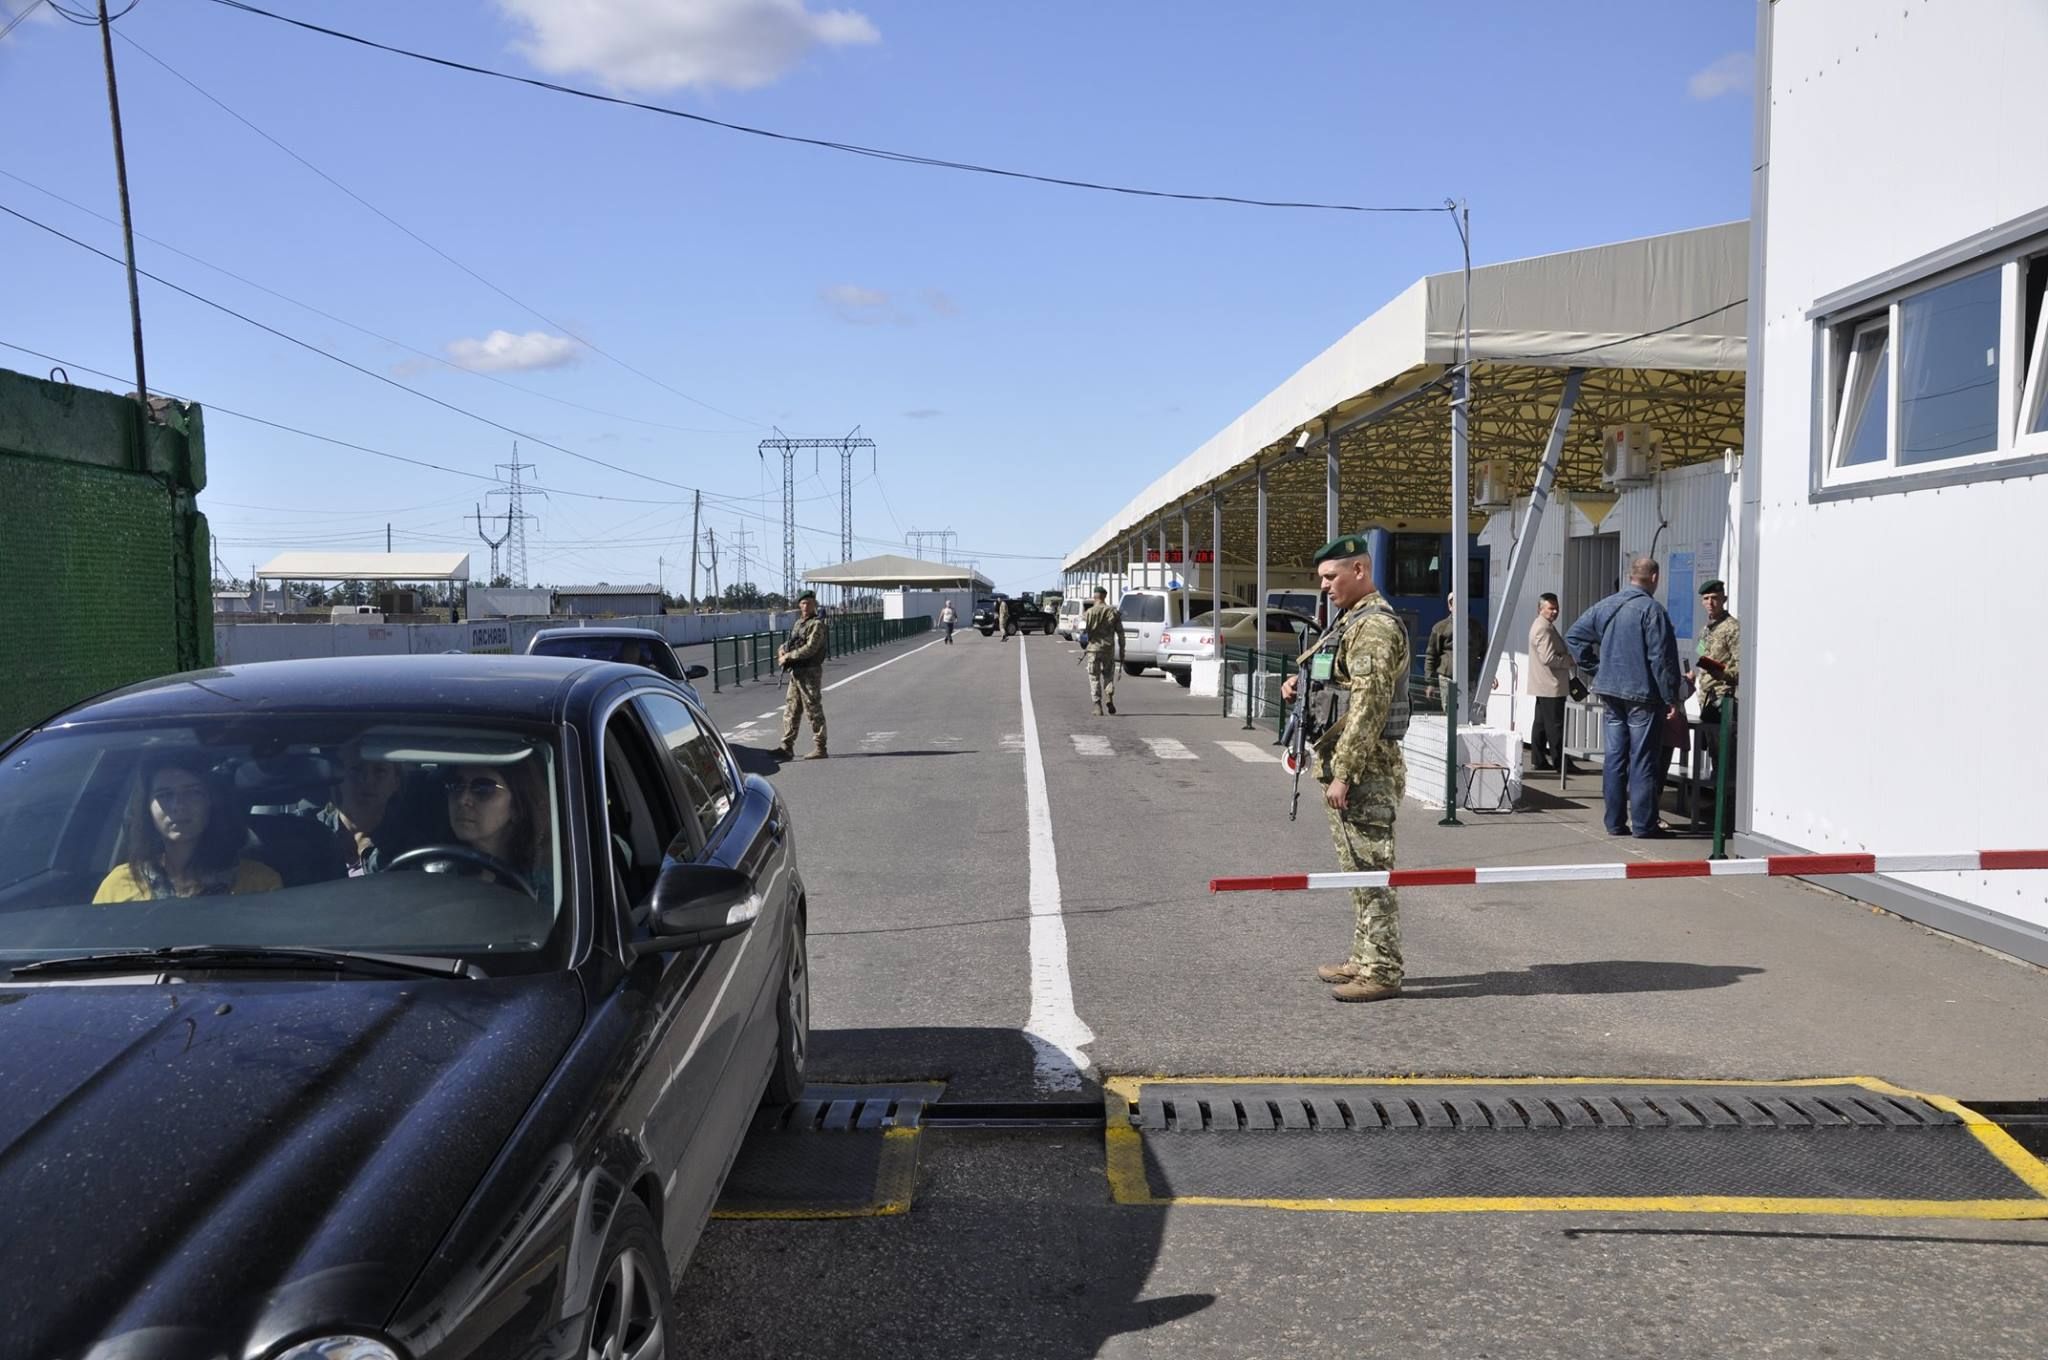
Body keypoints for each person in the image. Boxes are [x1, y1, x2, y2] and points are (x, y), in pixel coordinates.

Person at [1279, 534, 1412, 1004]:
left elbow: (1368, 706)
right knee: (1355, 868)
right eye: (1321, 579)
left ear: (1360, 570)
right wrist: (1300, 682)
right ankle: (1363, 956)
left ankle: (1382, 968)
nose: (1324, 587)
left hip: (1366, 771)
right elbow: (1338, 680)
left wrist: (1346, 772)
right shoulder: (1350, 620)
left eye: (1331, 577)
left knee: (1372, 869)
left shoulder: (1374, 626)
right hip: (1349, 765)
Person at [1565, 555, 1682, 839]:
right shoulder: (1652, 611)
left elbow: (1574, 637)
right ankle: (1644, 825)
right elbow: (1661, 659)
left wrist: (1597, 668)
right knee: (1642, 760)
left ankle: (1615, 823)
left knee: (1615, 758)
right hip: (1643, 696)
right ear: (1654, 578)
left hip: (1610, 692)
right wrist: (1671, 697)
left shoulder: (1606, 605)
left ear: (1631, 576)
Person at [94, 755, 283, 902]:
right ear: (147, 808)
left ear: (211, 802)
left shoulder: (259, 884)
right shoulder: (119, 885)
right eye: (165, 795)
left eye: (192, 793)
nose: (178, 806)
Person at [442, 755, 552, 895]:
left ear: (517, 807)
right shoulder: (440, 869)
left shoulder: (546, 881)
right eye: (456, 785)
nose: (463, 799)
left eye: (483, 789)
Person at [319, 744, 402, 876]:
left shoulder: (407, 844)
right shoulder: (306, 837)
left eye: (380, 771)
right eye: (356, 769)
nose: (368, 780)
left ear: (396, 782)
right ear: (336, 777)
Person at [1694, 578, 1741, 807]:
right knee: (1713, 751)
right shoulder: (1706, 629)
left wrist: (1721, 673)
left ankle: (1728, 806)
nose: (1710, 603)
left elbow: (1740, 666)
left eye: (1714, 598)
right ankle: (1718, 801)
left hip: (1725, 698)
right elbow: (1701, 655)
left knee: (1726, 755)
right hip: (1707, 699)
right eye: (1706, 599)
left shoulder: (1732, 628)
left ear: (1723, 599)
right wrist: (1694, 675)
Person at [1526, 592, 1582, 775]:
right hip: (1550, 684)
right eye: (1551, 608)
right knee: (1555, 725)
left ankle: (1539, 759)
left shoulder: (1542, 625)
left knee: (1541, 724)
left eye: (1556, 608)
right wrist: (1569, 660)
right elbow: (1549, 658)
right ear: (1540, 609)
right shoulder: (1543, 628)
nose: (1555, 611)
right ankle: (1561, 762)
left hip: (1543, 683)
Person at [772, 590, 829, 760]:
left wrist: (788, 656)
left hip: (810, 671)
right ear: (799, 605)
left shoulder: (816, 625)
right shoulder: (799, 623)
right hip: (797, 672)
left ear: (814, 605)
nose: (806, 606)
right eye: (803, 603)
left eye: (809, 603)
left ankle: (820, 747)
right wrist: (783, 649)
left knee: (813, 709)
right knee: (791, 709)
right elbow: (793, 641)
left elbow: (811, 648)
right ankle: (787, 747)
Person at [1424, 593, 1482, 709]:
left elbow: (1484, 652)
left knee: (1467, 713)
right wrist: (1430, 683)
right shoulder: (1440, 628)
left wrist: (1491, 676)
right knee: (1451, 713)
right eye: (1452, 602)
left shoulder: (1476, 628)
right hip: (1447, 679)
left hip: (1469, 679)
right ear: (1449, 606)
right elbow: (1431, 655)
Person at [1078, 586, 1125, 716]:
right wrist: (1122, 651)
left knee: (1094, 677)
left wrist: (1084, 645)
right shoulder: (1113, 612)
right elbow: (1121, 633)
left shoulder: (1088, 613)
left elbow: (1082, 633)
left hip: (1093, 649)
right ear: (1105, 596)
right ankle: (1109, 696)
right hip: (1108, 649)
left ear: (1095, 597)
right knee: (1108, 675)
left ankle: (1097, 705)